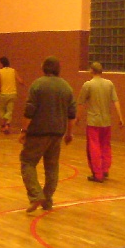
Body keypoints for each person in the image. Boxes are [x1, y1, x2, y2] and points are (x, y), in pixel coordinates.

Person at [19, 56, 76, 212]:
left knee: (27, 162)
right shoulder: (66, 87)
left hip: (38, 133)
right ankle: (47, 199)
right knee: (52, 167)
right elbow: (72, 114)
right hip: (57, 133)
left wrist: (24, 130)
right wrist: (69, 133)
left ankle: (36, 195)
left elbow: (29, 111)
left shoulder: (37, 85)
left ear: (43, 68)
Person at [77, 61, 124, 183]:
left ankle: (97, 174)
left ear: (91, 71)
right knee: (106, 146)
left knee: (94, 147)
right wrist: (120, 117)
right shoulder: (109, 84)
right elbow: (116, 101)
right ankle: (105, 169)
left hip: (93, 122)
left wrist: (77, 117)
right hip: (106, 122)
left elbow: (81, 103)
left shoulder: (88, 85)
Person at [0, 56, 25, 134]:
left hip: (3, 94)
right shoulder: (13, 71)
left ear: (1, 63)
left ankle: (3, 126)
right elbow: (20, 80)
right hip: (12, 94)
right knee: (9, 110)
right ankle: (7, 125)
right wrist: (23, 83)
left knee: (2, 110)